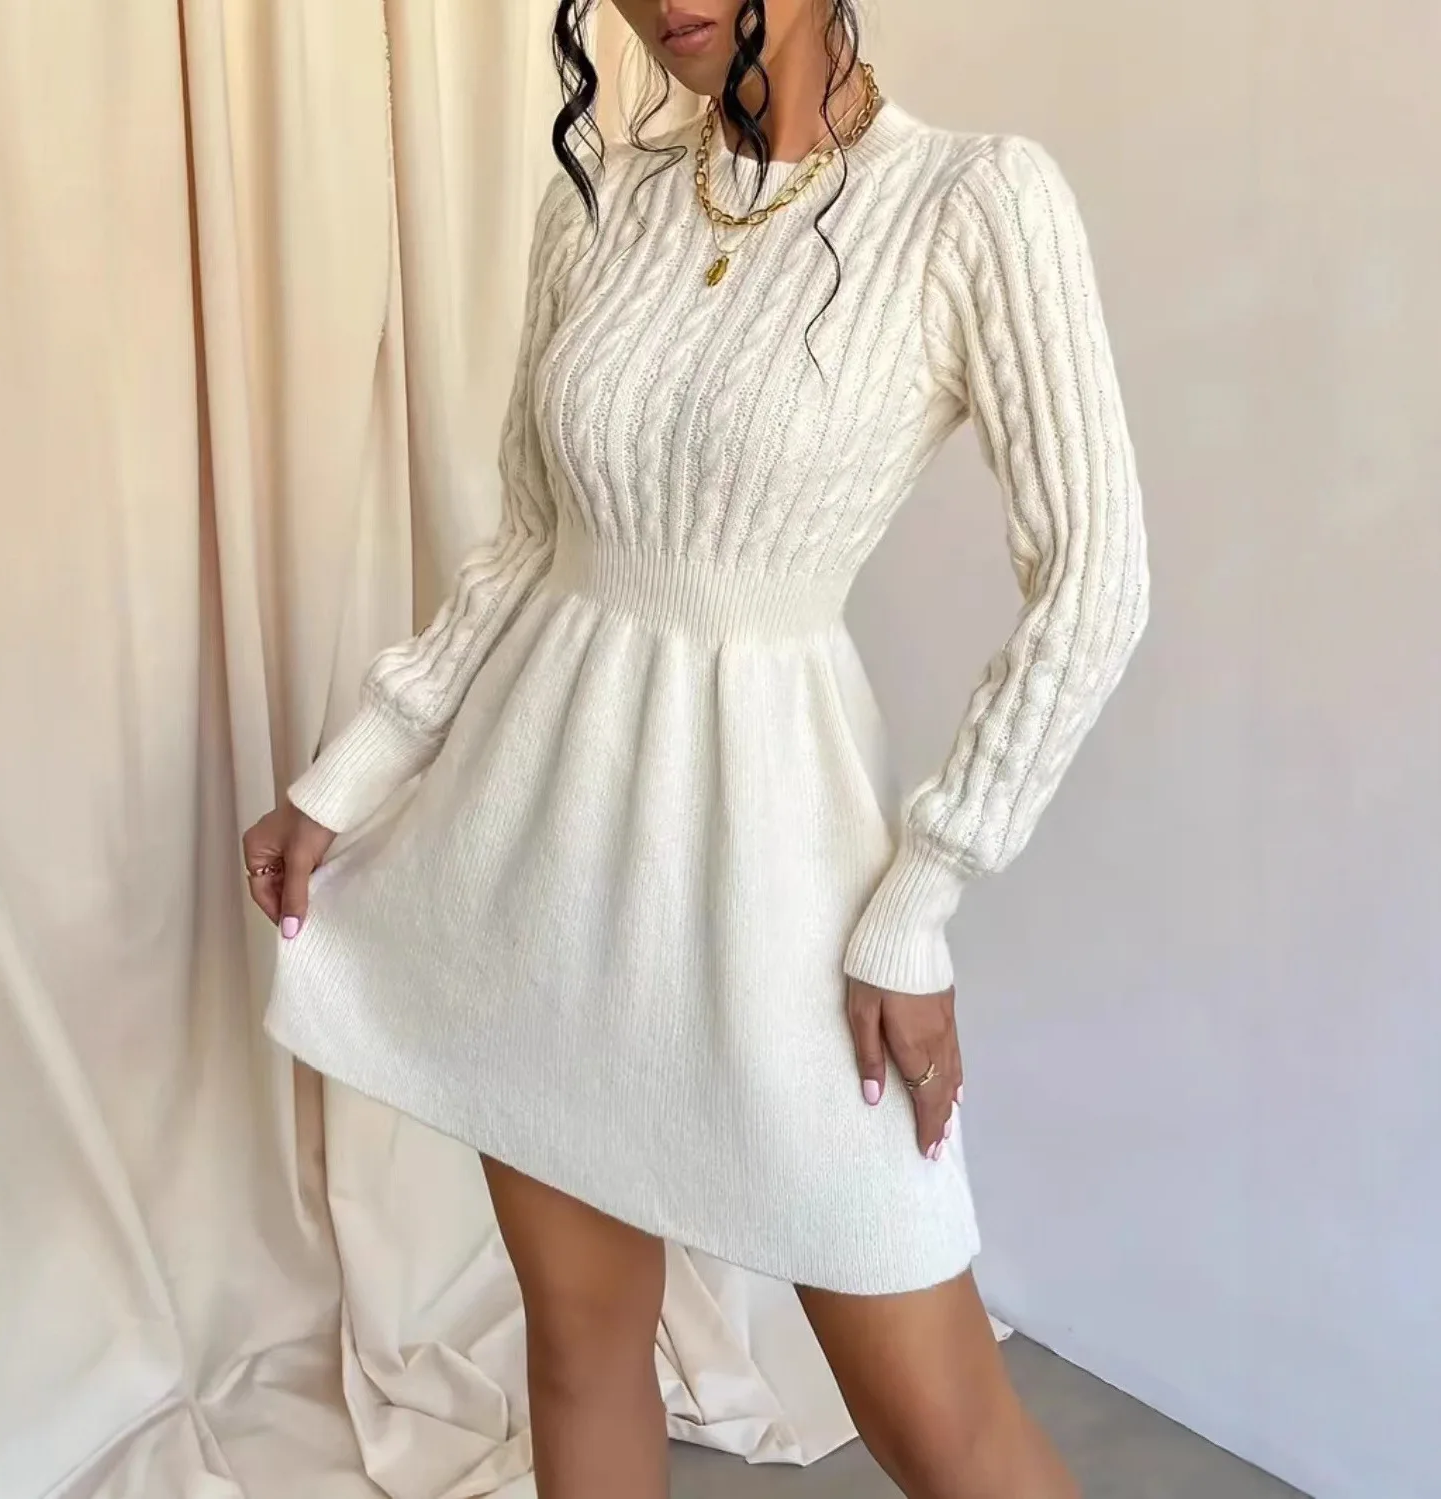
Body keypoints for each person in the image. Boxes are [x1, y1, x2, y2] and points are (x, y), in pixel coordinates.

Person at [244, 1, 1148, 1494]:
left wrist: (918, 900)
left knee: (945, 1426)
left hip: (773, 866)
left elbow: (1096, 578)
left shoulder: (974, 202)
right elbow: (527, 546)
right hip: (537, 847)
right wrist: (348, 777)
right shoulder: (600, 203)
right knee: (579, 1346)